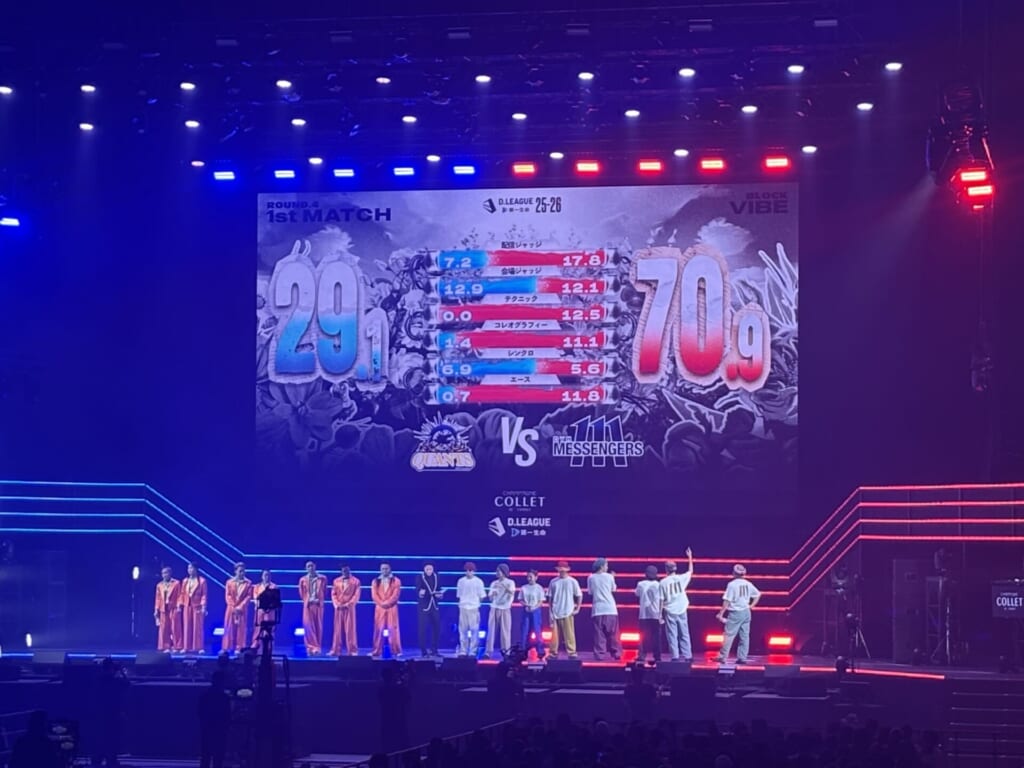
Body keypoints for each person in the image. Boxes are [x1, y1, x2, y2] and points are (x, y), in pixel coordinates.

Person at [716, 564, 761, 664]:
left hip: (736, 613)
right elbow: (758, 594)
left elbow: (727, 600)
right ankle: (742, 658)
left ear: (734, 573)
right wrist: (751, 606)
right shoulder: (748, 584)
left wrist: (721, 613)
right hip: (746, 612)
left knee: (729, 635)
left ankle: (722, 657)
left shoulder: (732, 585)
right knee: (744, 636)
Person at [661, 548, 695, 661]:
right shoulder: (681, 578)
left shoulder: (663, 582)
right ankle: (688, 655)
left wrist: (660, 614)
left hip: (670, 610)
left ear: (666, 569)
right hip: (681, 608)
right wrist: (690, 557)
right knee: (684, 633)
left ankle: (675, 656)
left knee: (672, 634)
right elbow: (690, 571)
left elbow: (661, 599)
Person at [587, 557, 621, 661]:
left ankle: (599, 654)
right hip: (610, 608)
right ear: (601, 566)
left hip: (597, 609)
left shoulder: (591, 578)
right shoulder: (609, 577)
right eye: (606, 565)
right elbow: (613, 589)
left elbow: (590, 592)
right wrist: (613, 577)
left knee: (599, 634)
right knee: (613, 633)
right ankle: (616, 652)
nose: (607, 567)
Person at [547, 561, 582, 659]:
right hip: (556, 611)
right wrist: (550, 611)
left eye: (563, 568)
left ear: (567, 569)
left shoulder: (573, 581)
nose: (561, 570)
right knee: (554, 635)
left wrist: (578, 608)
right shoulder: (553, 582)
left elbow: (579, 595)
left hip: (568, 611)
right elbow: (550, 598)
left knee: (569, 634)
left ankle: (572, 652)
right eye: (560, 568)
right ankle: (553, 652)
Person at [198, 670, 232, 768]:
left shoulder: (205, 695)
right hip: (220, 730)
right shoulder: (224, 697)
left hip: (207, 728)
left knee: (206, 756)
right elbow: (227, 714)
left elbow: (200, 712)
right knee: (218, 758)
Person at [371, 562, 402, 657]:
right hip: (379, 608)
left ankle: (395, 650)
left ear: (390, 569)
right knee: (378, 629)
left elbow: (396, 595)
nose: (384, 570)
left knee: (393, 628)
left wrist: (387, 603)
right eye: (383, 569)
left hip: (391, 607)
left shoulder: (396, 581)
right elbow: (374, 595)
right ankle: (377, 650)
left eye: (386, 568)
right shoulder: (375, 581)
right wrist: (381, 603)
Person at [456, 562, 486, 657]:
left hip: (474, 608)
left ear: (474, 571)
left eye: (470, 570)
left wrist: (476, 603)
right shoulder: (461, 581)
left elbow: (482, 596)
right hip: (463, 607)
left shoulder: (479, 581)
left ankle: (473, 650)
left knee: (474, 630)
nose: (468, 572)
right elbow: (459, 595)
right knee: (463, 630)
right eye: (467, 570)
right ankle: (463, 650)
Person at [221, 562, 253, 654]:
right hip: (231, 609)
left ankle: (239, 647)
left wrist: (240, 606)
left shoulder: (248, 583)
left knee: (241, 629)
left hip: (242, 610)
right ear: (235, 571)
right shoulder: (229, 582)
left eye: (243, 571)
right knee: (229, 628)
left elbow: (248, 597)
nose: (242, 573)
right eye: (240, 571)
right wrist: (234, 606)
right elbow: (228, 596)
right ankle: (227, 647)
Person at [635, 565, 664, 664]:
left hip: (643, 615)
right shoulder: (659, 585)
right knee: (656, 637)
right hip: (656, 614)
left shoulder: (640, 584)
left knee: (643, 636)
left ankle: (642, 656)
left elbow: (637, 594)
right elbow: (661, 599)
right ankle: (657, 656)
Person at [330, 564, 361, 656]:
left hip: (349, 608)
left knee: (350, 629)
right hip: (339, 608)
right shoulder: (336, 581)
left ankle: (352, 650)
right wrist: (337, 604)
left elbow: (356, 595)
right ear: (341, 571)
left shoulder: (356, 581)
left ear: (349, 570)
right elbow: (333, 594)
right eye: (343, 570)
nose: (345, 572)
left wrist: (349, 604)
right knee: (337, 629)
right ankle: (335, 650)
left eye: (347, 570)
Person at [486, 564, 515, 658]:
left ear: (504, 572)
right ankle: (488, 652)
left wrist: (504, 587)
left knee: (505, 632)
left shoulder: (510, 582)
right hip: (494, 608)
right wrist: (493, 594)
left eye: (499, 571)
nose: (497, 573)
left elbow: (512, 593)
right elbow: (490, 598)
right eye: (497, 571)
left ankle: (506, 652)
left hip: (505, 608)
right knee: (491, 631)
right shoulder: (494, 583)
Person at [299, 560, 328, 656]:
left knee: (318, 626)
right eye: (308, 566)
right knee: (308, 627)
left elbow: (325, 591)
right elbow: (302, 593)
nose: (310, 568)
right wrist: (307, 600)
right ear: (306, 568)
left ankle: (317, 647)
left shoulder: (322, 578)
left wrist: (319, 600)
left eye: (312, 566)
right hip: (308, 605)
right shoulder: (303, 580)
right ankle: (309, 647)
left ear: (315, 566)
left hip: (318, 605)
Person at [415, 562, 443, 657]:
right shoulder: (420, 577)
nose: (429, 571)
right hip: (424, 606)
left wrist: (440, 595)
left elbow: (439, 589)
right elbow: (417, 590)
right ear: (424, 569)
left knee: (437, 628)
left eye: (430, 569)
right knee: (422, 629)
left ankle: (434, 649)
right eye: (427, 569)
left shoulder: (437, 576)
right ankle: (423, 651)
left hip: (434, 606)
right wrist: (420, 593)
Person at [154, 565, 183, 653]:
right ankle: (165, 646)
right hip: (163, 608)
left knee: (175, 627)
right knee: (164, 628)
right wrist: (156, 609)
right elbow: (158, 598)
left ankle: (177, 646)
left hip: (173, 607)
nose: (164, 575)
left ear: (170, 573)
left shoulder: (176, 583)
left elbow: (179, 595)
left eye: (166, 573)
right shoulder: (159, 585)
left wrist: (178, 606)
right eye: (163, 573)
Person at [181, 562, 208, 654]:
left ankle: (199, 647)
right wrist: (180, 604)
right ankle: (186, 647)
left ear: (196, 569)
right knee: (186, 626)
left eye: (191, 568)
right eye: (188, 568)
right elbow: (182, 593)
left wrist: (203, 606)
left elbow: (204, 595)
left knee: (197, 627)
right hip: (187, 605)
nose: (190, 570)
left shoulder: (202, 581)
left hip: (197, 606)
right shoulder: (185, 581)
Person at [519, 569, 545, 660]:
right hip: (526, 610)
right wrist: (526, 605)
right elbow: (520, 599)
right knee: (524, 631)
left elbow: (541, 601)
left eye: (531, 576)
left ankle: (540, 651)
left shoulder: (539, 588)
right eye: (528, 577)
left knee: (537, 631)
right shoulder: (524, 588)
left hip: (536, 610)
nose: (529, 578)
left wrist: (534, 607)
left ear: (536, 577)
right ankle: (523, 651)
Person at [251, 570, 278, 650]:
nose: (267, 577)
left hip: (270, 611)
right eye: (265, 575)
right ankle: (255, 643)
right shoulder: (257, 586)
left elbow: (276, 599)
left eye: (268, 575)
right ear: (262, 576)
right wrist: (260, 605)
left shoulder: (274, 587)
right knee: (258, 627)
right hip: (260, 610)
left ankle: (269, 644)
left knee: (270, 628)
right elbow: (255, 597)